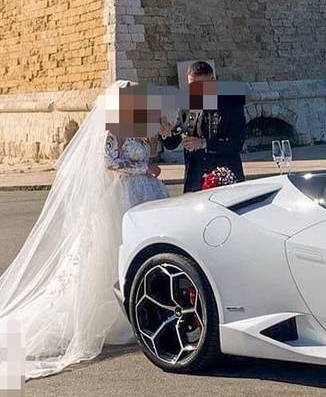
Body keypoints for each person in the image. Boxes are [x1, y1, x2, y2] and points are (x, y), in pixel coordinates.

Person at [0, 82, 170, 379]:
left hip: (146, 194)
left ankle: (148, 305)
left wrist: (156, 135)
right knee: (112, 256)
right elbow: (108, 163)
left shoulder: (138, 127)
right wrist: (142, 169)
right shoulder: (111, 130)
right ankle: (118, 314)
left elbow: (152, 152)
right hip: (123, 197)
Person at [160, 61, 246, 193]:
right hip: (195, 181)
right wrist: (166, 133)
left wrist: (203, 143)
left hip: (225, 179)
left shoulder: (232, 105)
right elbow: (173, 142)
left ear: (213, 81)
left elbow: (236, 144)